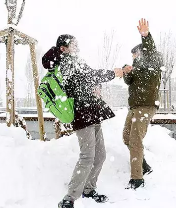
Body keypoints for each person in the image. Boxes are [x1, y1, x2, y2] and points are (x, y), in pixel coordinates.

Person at [42, 34, 123, 208]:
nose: (77, 46)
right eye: (73, 44)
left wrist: (97, 87)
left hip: (92, 111)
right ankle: (69, 198)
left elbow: (88, 79)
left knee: (100, 156)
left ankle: (89, 189)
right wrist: (112, 74)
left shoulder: (75, 60)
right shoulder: (65, 63)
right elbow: (88, 76)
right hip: (82, 113)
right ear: (64, 48)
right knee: (87, 157)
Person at [121, 19, 163, 189]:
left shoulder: (152, 61)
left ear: (141, 53)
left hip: (146, 106)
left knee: (135, 140)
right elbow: (129, 81)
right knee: (126, 137)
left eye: (135, 55)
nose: (133, 58)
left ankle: (137, 178)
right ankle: (143, 164)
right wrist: (126, 71)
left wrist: (145, 35)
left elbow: (150, 49)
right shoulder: (137, 68)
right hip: (135, 107)